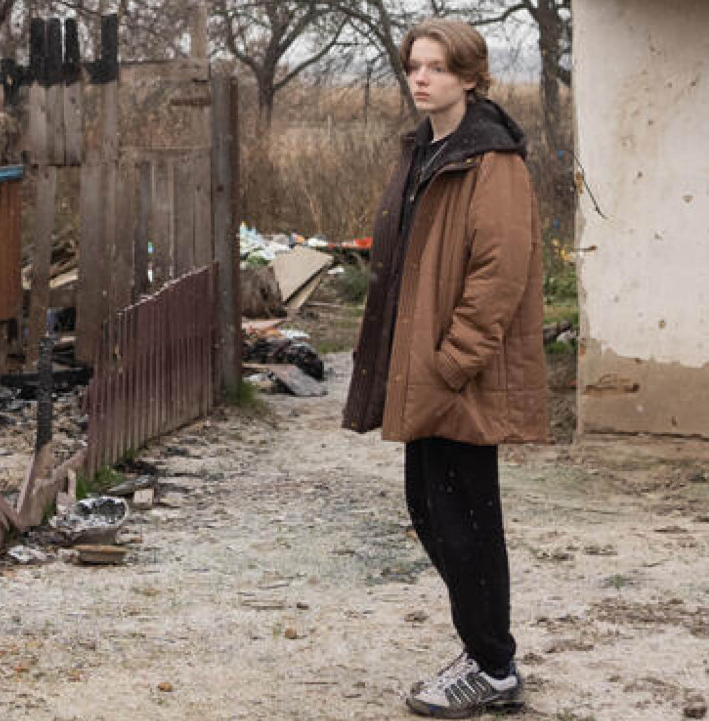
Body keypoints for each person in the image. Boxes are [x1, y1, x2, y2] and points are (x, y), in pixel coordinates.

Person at [342, 18, 550, 719]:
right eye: (414, 66)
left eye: (436, 67)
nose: (421, 78)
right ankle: (483, 651)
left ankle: (493, 665)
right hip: (426, 365)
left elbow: (500, 272)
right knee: (431, 510)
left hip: (459, 372)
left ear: (469, 76)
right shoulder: (424, 151)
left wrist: (453, 360)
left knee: (465, 519)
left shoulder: (493, 161)